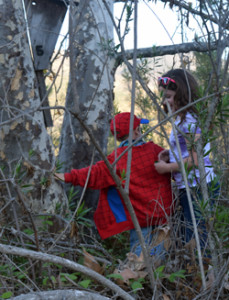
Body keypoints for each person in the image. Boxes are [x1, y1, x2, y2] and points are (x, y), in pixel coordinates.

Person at [55, 112, 173, 257]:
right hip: (165, 215)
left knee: (140, 259)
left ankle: (140, 278)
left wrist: (67, 176)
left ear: (117, 137)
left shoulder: (117, 160)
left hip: (140, 220)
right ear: (136, 131)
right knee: (163, 257)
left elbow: (93, 174)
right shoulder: (155, 151)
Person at [154, 68, 219, 253]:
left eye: (169, 96)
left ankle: (204, 275)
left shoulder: (190, 120)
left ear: (182, 94)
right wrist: (170, 153)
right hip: (188, 186)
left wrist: (166, 168)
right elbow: (189, 150)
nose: (165, 101)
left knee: (197, 237)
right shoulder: (181, 120)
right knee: (189, 235)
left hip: (198, 186)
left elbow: (196, 160)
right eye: (163, 96)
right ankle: (197, 272)